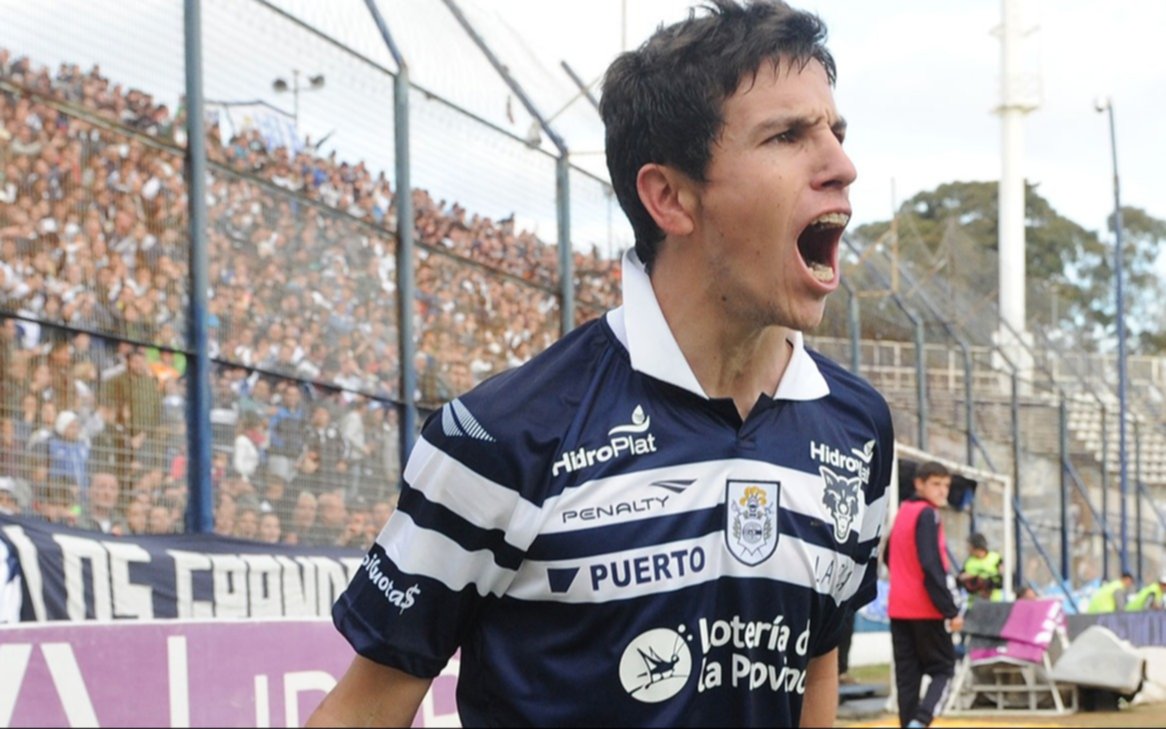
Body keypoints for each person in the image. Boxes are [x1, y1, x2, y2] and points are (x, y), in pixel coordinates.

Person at [308, 1, 893, 727]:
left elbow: (815, 674)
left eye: (834, 131)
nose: (842, 165)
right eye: (788, 135)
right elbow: (359, 713)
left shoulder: (857, 428)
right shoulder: (500, 438)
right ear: (669, 196)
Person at [886, 461, 964, 729]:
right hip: (926, 609)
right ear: (919, 484)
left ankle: (908, 723)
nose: (943, 491)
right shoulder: (929, 515)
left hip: (898, 608)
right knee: (945, 669)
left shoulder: (903, 512)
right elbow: (931, 566)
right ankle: (920, 722)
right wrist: (950, 610)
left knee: (908, 678)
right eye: (936, 484)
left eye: (946, 485)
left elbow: (887, 555)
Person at [957, 532, 1003, 604]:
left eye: (969, 546)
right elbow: (960, 579)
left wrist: (979, 577)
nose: (967, 549)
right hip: (974, 604)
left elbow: (1002, 578)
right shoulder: (969, 561)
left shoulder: (995, 557)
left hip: (993, 603)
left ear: (976, 547)